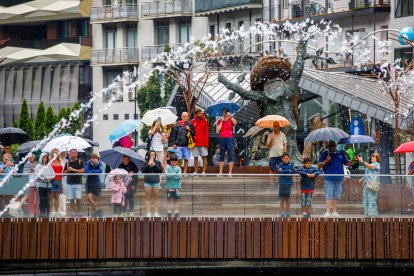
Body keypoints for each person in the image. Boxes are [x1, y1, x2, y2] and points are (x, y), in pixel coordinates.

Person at [318, 140, 354, 218]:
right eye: (331, 146)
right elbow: (319, 166)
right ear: (329, 147)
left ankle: (334, 211)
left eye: (334, 146)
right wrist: (326, 161)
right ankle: (327, 211)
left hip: (339, 177)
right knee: (329, 194)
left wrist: (354, 160)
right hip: (329, 178)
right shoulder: (325, 153)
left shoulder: (340, 153)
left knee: (336, 195)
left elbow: (346, 163)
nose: (333, 148)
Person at [141, 150, 163, 217]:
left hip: (156, 181)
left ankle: (156, 212)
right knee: (147, 198)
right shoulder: (145, 162)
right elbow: (143, 171)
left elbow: (161, 170)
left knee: (156, 198)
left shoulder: (158, 162)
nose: (152, 156)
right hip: (147, 181)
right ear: (149, 155)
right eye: (151, 154)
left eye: (154, 154)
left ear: (155, 155)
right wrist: (148, 165)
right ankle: (148, 212)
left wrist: (154, 165)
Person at [358, 153, 381, 217]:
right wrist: (362, 178)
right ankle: (368, 213)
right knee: (366, 199)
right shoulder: (369, 164)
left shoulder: (377, 164)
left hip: (373, 184)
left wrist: (362, 161)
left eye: (373, 157)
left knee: (372, 198)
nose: (372, 158)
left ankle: (372, 214)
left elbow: (370, 167)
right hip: (367, 184)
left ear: (377, 158)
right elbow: (367, 173)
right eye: (371, 157)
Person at [63, 149, 84, 217]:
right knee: (71, 199)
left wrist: (73, 170)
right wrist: (67, 171)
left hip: (78, 183)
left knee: (78, 198)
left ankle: (80, 212)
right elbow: (63, 174)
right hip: (69, 183)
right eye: (72, 153)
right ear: (70, 154)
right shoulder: (67, 163)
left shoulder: (80, 162)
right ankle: (73, 213)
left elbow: (83, 171)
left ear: (77, 154)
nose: (73, 154)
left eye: (75, 153)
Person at [216, 108, 237, 175]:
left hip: (229, 138)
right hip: (222, 138)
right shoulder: (220, 120)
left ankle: (230, 172)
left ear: (228, 112)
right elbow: (218, 130)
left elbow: (235, 123)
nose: (224, 114)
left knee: (230, 154)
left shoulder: (230, 119)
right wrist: (222, 121)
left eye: (225, 112)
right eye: (223, 112)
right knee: (221, 154)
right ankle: (220, 172)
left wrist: (230, 116)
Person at [191, 108, 209, 175]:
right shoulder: (192, 121)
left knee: (204, 157)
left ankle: (203, 172)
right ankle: (195, 171)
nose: (200, 114)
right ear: (196, 114)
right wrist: (191, 143)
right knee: (195, 157)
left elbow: (206, 132)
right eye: (199, 113)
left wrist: (206, 143)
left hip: (203, 143)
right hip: (195, 143)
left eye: (201, 113)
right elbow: (191, 133)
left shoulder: (205, 121)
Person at [85, 153, 103, 217]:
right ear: (91, 158)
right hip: (89, 183)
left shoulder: (100, 163)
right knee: (89, 197)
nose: (94, 159)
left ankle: (95, 213)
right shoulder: (88, 162)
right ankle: (98, 210)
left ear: (98, 158)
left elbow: (100, 171)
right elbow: (86, 171)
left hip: (96, 183)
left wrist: (92, 170)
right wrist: (94, 171)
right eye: (93, 157)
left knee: (94, 199)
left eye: (96, 158)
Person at [277, 153, 295, 218]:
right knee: (282, 199)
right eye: (285, 158)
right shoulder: (279, 165)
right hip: (281, 183)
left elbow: (292, 171)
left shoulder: (292, 164)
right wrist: (288, 170)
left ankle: (288, 212)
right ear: (282, 159)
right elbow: (280, 172)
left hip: (288, 183)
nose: (287, 160)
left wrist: (284, 170)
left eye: (288, 158)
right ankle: (282, 212)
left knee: (287, 199)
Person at [36, 153, 52, 217]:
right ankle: (42, 212)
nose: (45, 158)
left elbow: (53, 174)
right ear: (41, 158)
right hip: (41, 185)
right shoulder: (38, 166)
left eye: (46, 157)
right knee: (42, 199)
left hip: (48, 185)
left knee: (47, 199)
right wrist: (44, 178)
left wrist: (49, 178)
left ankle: (47, 213)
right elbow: (37, 175)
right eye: (43, 157)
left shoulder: (49, 166)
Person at [49, 148, 63, 217]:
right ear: (52, 153)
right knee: (51, 197)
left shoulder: (60, 161)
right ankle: (52, 212)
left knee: (57, 197)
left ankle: (57, 212)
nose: (56, 154)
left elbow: (62, 171)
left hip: (59, 181)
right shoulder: (50, 162)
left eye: (57, 152)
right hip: (52, 180)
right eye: (54, 152)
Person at [58, 151, 69, 217]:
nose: (63, 154)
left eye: (64, 153)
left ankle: (63, 209)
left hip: (65, 178)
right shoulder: (58, 160)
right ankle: (60, 209)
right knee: (61, 193)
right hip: (59, 178)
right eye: (62, 153)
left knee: (64, 192)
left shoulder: (67, 161)